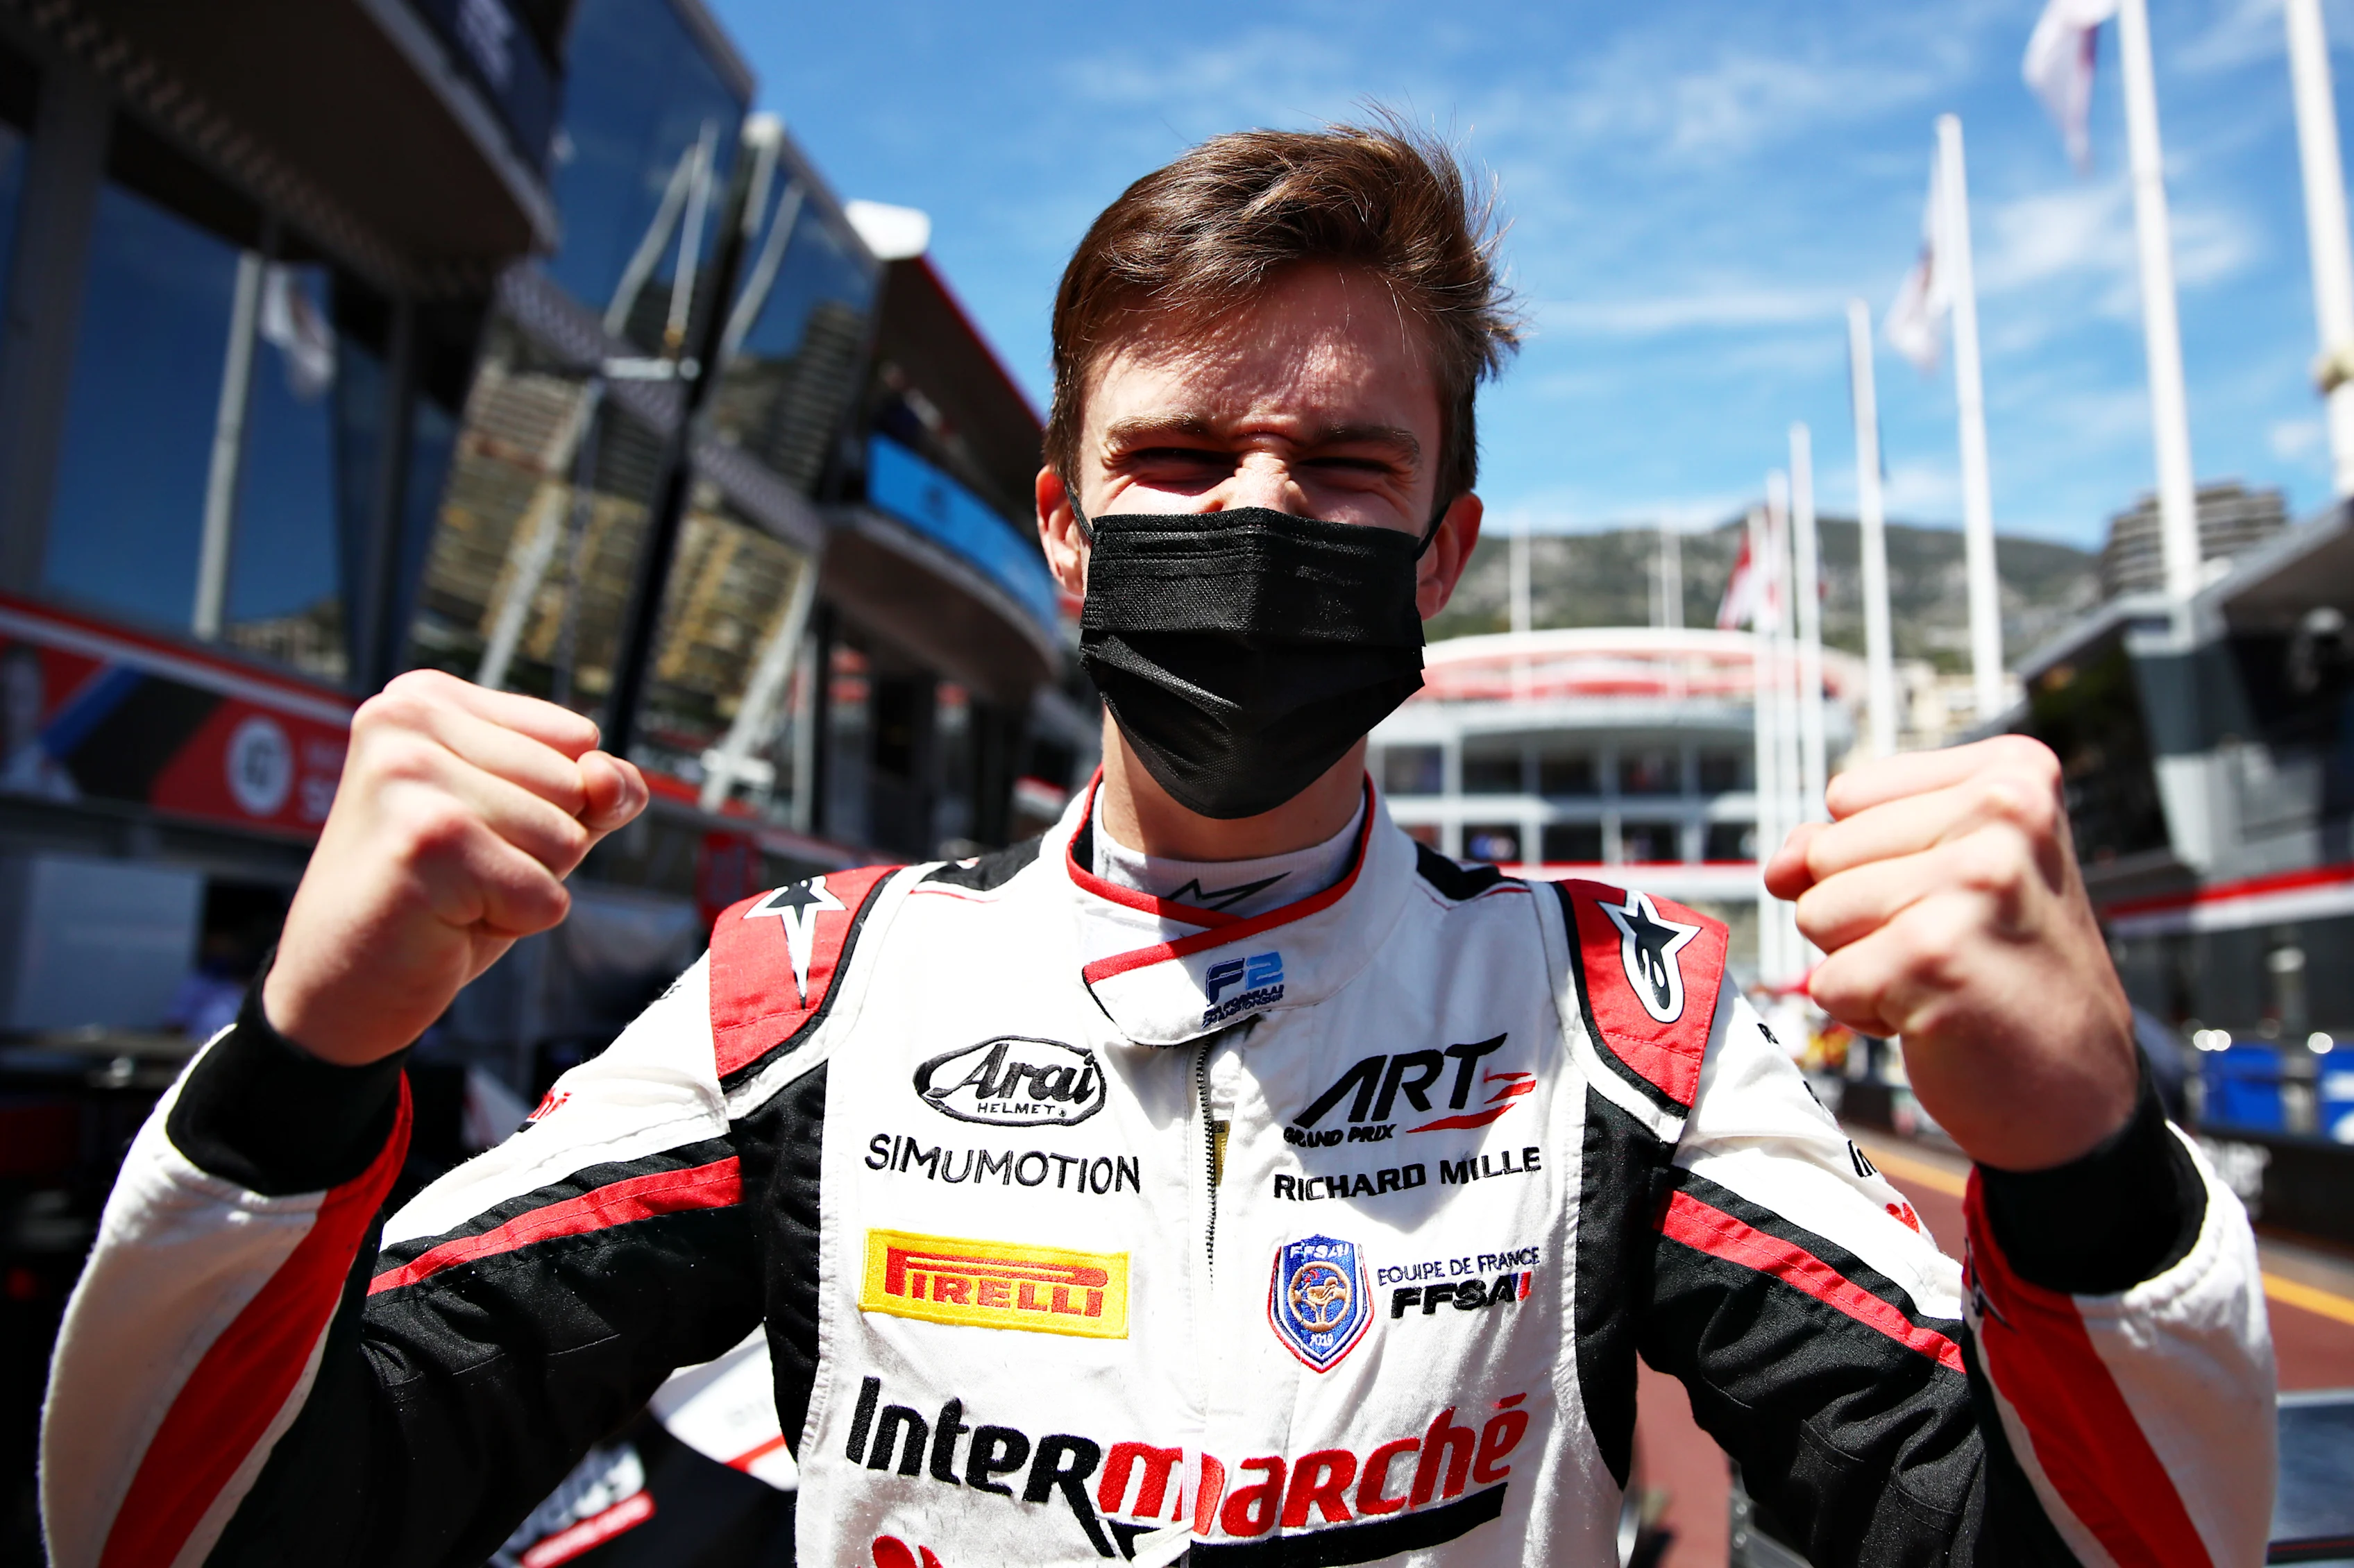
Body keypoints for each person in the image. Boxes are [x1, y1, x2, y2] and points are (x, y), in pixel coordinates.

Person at [42, 122, 2273, 1568]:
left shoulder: (1629, 1024)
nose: (1254, 517)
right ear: (1067, 535)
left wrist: (2086, 1154)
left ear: (1446, 552)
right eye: (1183, 457)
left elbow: (2103, 1550)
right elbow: (180, 1525)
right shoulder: (802, 994)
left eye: (1342, 469)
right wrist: (303, 1061)